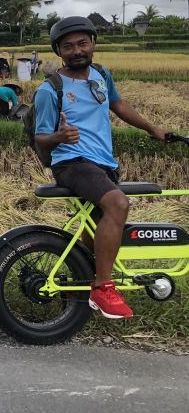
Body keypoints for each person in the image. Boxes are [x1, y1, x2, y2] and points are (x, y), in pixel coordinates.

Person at [34, 16, 166, 320]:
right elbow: (41, 138)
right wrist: (59, 136)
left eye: (82, 43)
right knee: (118, 204)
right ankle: (103, 288)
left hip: (103, 163)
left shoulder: (102, 75)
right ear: (58, 51)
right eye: (68, 46)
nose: (76, 50)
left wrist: (152, 128)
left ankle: (80, 284)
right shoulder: (50, 89)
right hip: (72, 162)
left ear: (93, 43)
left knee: (94, 226)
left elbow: (118, 106)